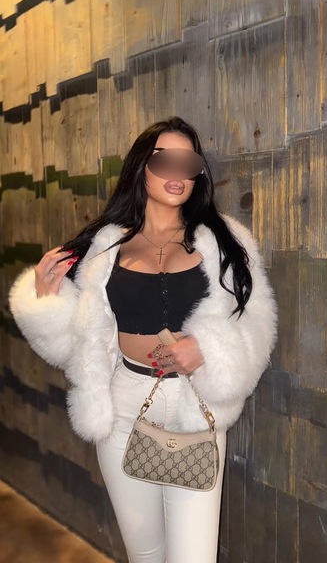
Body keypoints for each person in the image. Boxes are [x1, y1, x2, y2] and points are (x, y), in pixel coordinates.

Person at [9, 116, 277, 563]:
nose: (177, 173)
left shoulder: (225, 241)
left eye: (188, 163)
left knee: (194, 557)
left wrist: (209, 349)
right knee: (146, 554)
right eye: (164, 161)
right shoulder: (102, 248)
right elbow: (74, 341)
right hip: (124, 407)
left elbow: (257, 321)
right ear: (141, 167)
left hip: (195, 407)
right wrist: (44, 297)